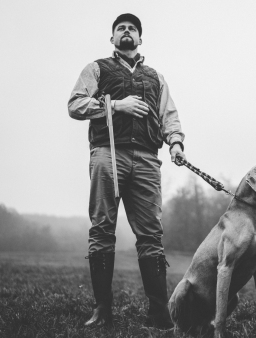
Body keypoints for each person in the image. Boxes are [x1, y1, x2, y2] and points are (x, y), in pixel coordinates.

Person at [67, 13, 185, 329]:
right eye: (121, 28)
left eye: (132, 28)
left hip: (148, 159)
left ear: (140, 38)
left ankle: (159, 314)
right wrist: (116, 105)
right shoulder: (97, 68)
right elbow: (75, 104)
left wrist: (175, 142)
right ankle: (102, 310)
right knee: (103, 228)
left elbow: (169, 115)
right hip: (108, 154)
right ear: (113, 39)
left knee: (151, 234)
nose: (127, 31)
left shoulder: (156, 77)